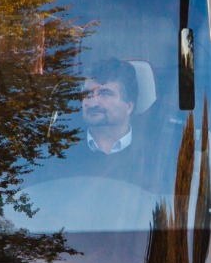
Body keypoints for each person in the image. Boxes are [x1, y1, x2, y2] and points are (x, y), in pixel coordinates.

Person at [55, 57, 164, 191]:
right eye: (88, 94)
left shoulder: (155, 158)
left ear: (128, 106)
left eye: (105, 93)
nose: (92, 103)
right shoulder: (60, 154)